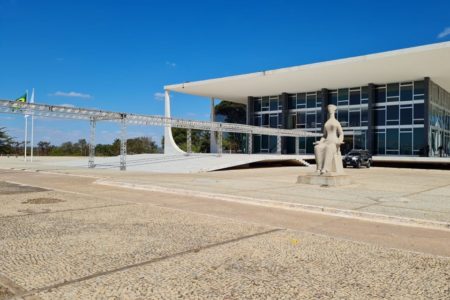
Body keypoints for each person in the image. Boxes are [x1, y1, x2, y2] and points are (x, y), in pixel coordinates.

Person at [314, 104, 344, 174]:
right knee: (317, 147)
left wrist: (339, 141)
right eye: (328, 108)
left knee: (329, 147)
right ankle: (319, 168)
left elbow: (341, 133)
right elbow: (324, 135)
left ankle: (325, 168)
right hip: (326, 141)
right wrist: (320, 142)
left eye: (331, 108)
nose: (329, 109)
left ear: (334, 110)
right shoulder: (326, 123)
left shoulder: (337, 122)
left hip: (334, 142)